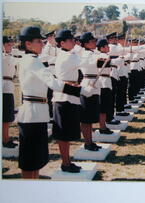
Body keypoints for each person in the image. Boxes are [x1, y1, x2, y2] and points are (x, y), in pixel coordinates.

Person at [16, 26, 95, 178]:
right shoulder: (31, 61)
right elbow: (53, 83)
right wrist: (82, 91)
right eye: (38, 41)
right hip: (31, 114)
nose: (42, 44)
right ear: (28, 44)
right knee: (30, 161)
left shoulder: (33, 60)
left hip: (37, 113)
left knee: (37, 160)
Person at [52, 29, 97, 173]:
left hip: (69, 95)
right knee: (64, 135)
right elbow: (86, 61)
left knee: (67, 134)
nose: (73, 41)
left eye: (73, 39)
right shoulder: (68, 56)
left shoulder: (68, 54)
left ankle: (67, 162)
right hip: (64, 97)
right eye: (70, 40)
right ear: (62, 43)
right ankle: (65, 163)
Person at [79, 32, 102, 151]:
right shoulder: (84, 54)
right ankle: (87, 142)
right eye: (92, 41)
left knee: (91, 116)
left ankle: (90, 141)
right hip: (88, 82)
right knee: (86, 117)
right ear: (86, 43)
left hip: (94, 82)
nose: (95, 43)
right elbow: (96, 62)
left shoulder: (92, 53)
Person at [2, 36, 17, 148]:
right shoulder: (4, 57)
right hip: (3, 87)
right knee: (5, 117)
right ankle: (5, 140)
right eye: (8, 44)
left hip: (9, 87)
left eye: (11, 45)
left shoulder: (10, 56)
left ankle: (5, 138)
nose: (11, 47)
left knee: (8, 117)